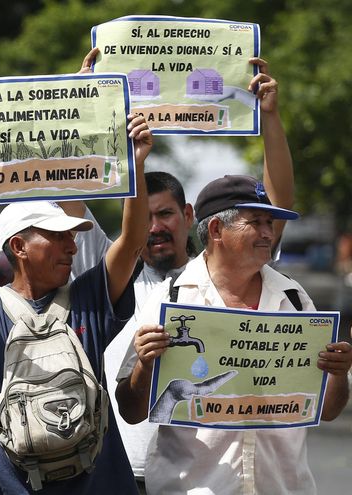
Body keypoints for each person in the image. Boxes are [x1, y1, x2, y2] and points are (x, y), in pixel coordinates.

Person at [66, 53, 295, 491]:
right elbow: (69, 197)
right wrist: (86, 104)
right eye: (144, 216)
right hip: (117, 467)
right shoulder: (110, 274)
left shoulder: (222, 271)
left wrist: (270, 118)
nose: (154, 227)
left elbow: (275, 205)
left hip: (194, 475)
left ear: (190, 216)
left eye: (166, 214)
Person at [0, 110, 152, 493]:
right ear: (18, 247)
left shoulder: (87, 298)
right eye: (56, 236)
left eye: (72, 236)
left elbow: (131, 243)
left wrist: (136, 164)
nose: (71, 246)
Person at [115, 175, 352, 494]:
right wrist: (144, 365)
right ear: (216, 231)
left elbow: (328, 409)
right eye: (256, 222)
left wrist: (337, 373)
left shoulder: (293, 299)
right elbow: (130, 411)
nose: (269, 233)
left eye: (270, 222)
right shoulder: (170, 300)